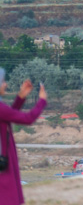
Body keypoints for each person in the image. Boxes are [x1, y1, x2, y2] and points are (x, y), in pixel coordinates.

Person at [0, 69, 47, 204]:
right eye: (2, 81)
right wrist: (42, 101)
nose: (5, 84)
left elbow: (8, 116)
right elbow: (28, 119)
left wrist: (21, 97)